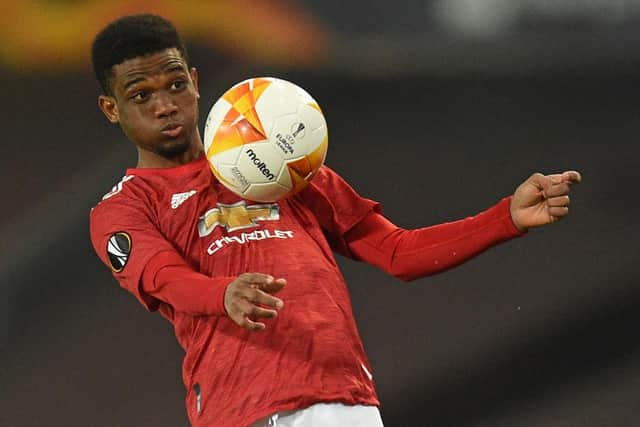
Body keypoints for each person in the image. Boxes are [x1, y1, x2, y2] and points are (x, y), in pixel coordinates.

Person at [89, 14, 581, 427]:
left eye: (176, 85)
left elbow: (396, 252)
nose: (166, 105)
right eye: (141, 96)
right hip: (242, 407)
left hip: (343, 399)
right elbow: (166, 280)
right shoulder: (125, 207)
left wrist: (505, 218)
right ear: (112, 109)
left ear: (195, 82)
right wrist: (223, 294)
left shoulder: (284, 163)